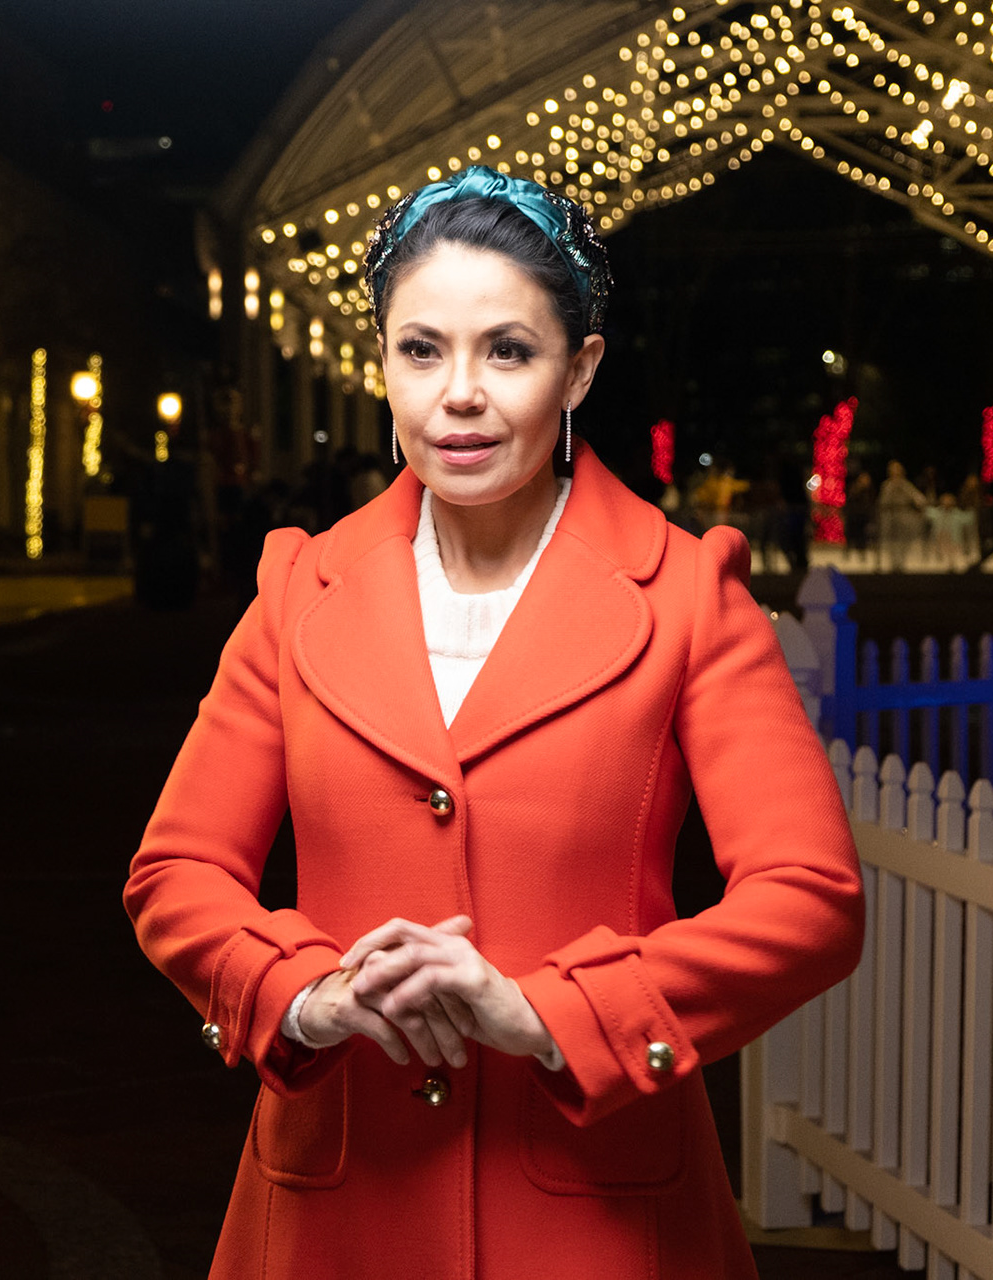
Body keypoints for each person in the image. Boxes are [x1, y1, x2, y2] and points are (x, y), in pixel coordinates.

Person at [123, 166, 864, 1279]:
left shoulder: (687, 594)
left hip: (598, 1216)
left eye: (507, 351)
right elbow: (175, 870)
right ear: (383, 364)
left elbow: (811, 901)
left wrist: (552, 1013)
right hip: (342, 1205)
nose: (458, 394)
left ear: (580, 369)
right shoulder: (297, 589)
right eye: (422, 350)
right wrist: (305, 994)